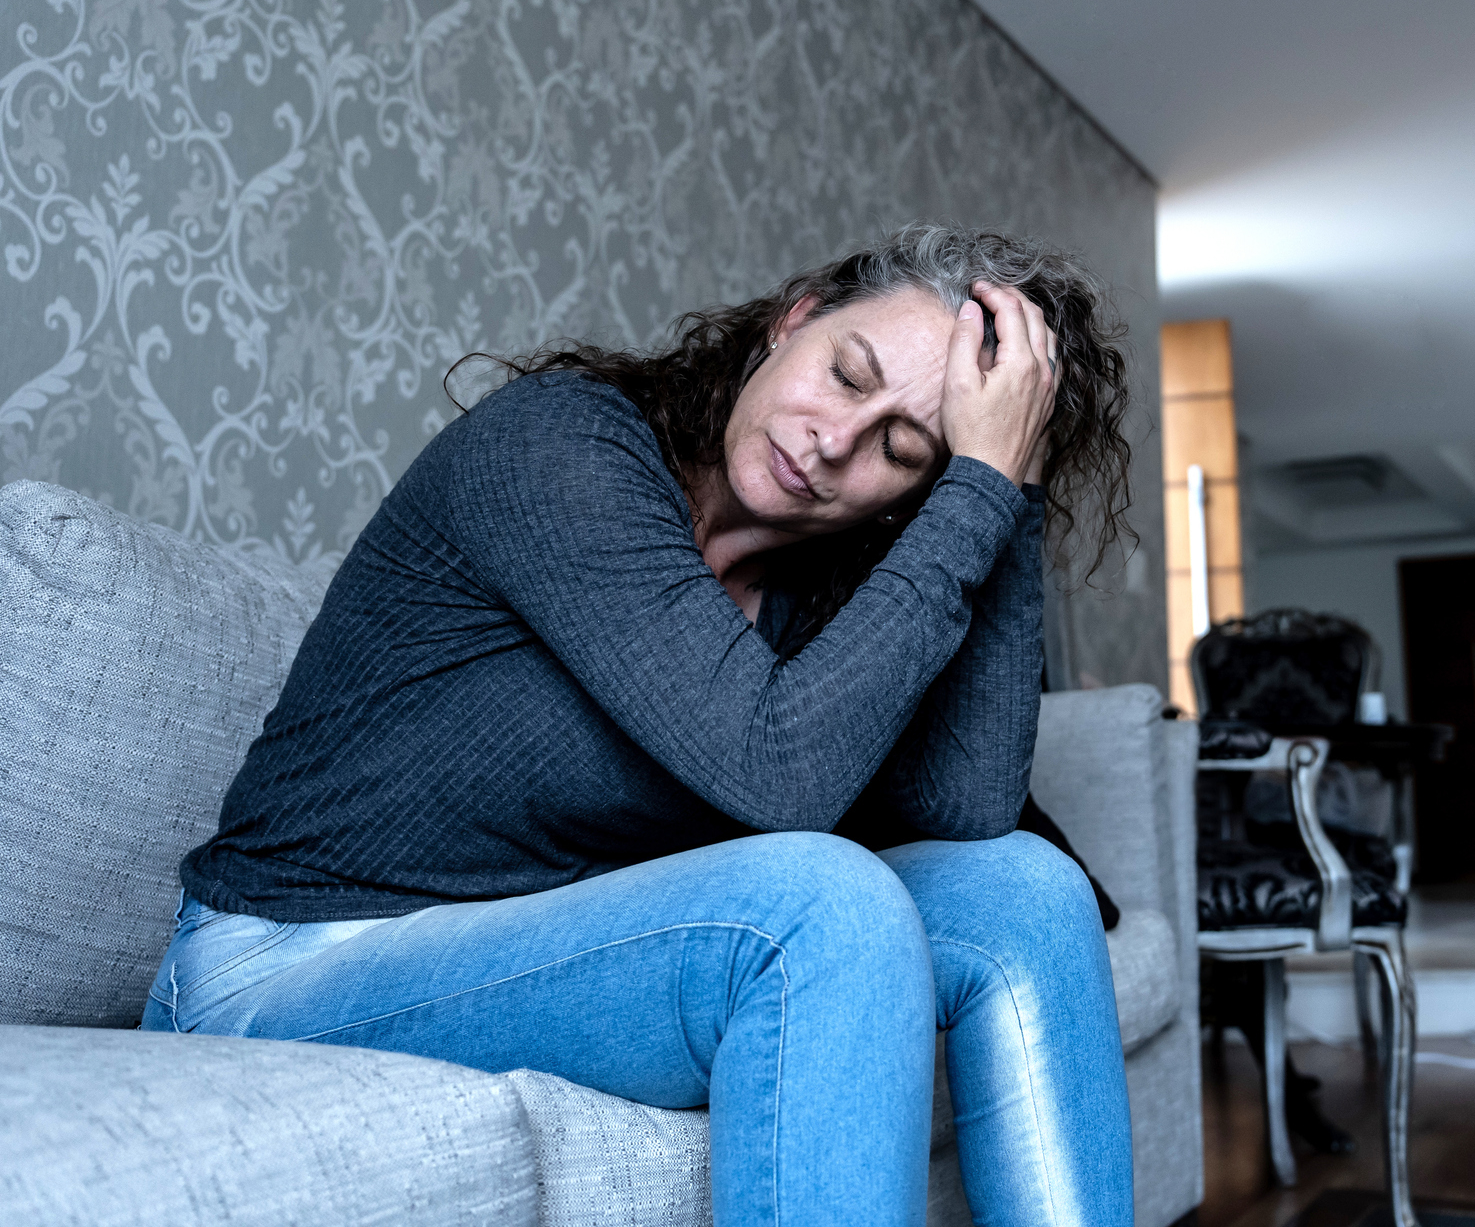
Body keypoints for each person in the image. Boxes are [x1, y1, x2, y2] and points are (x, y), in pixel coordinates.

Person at [141, 224, 1140, 1227]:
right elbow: (779, 778)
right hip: (281, 964)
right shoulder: (562, 446)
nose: (834, 440)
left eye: (902, 447)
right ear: (792, 322)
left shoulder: (813, 605)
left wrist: (1008, 484)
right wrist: (970, 485)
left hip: (509, 947)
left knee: (1027, 888)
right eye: (845, 373)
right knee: (819, 903)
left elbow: (966, 808)